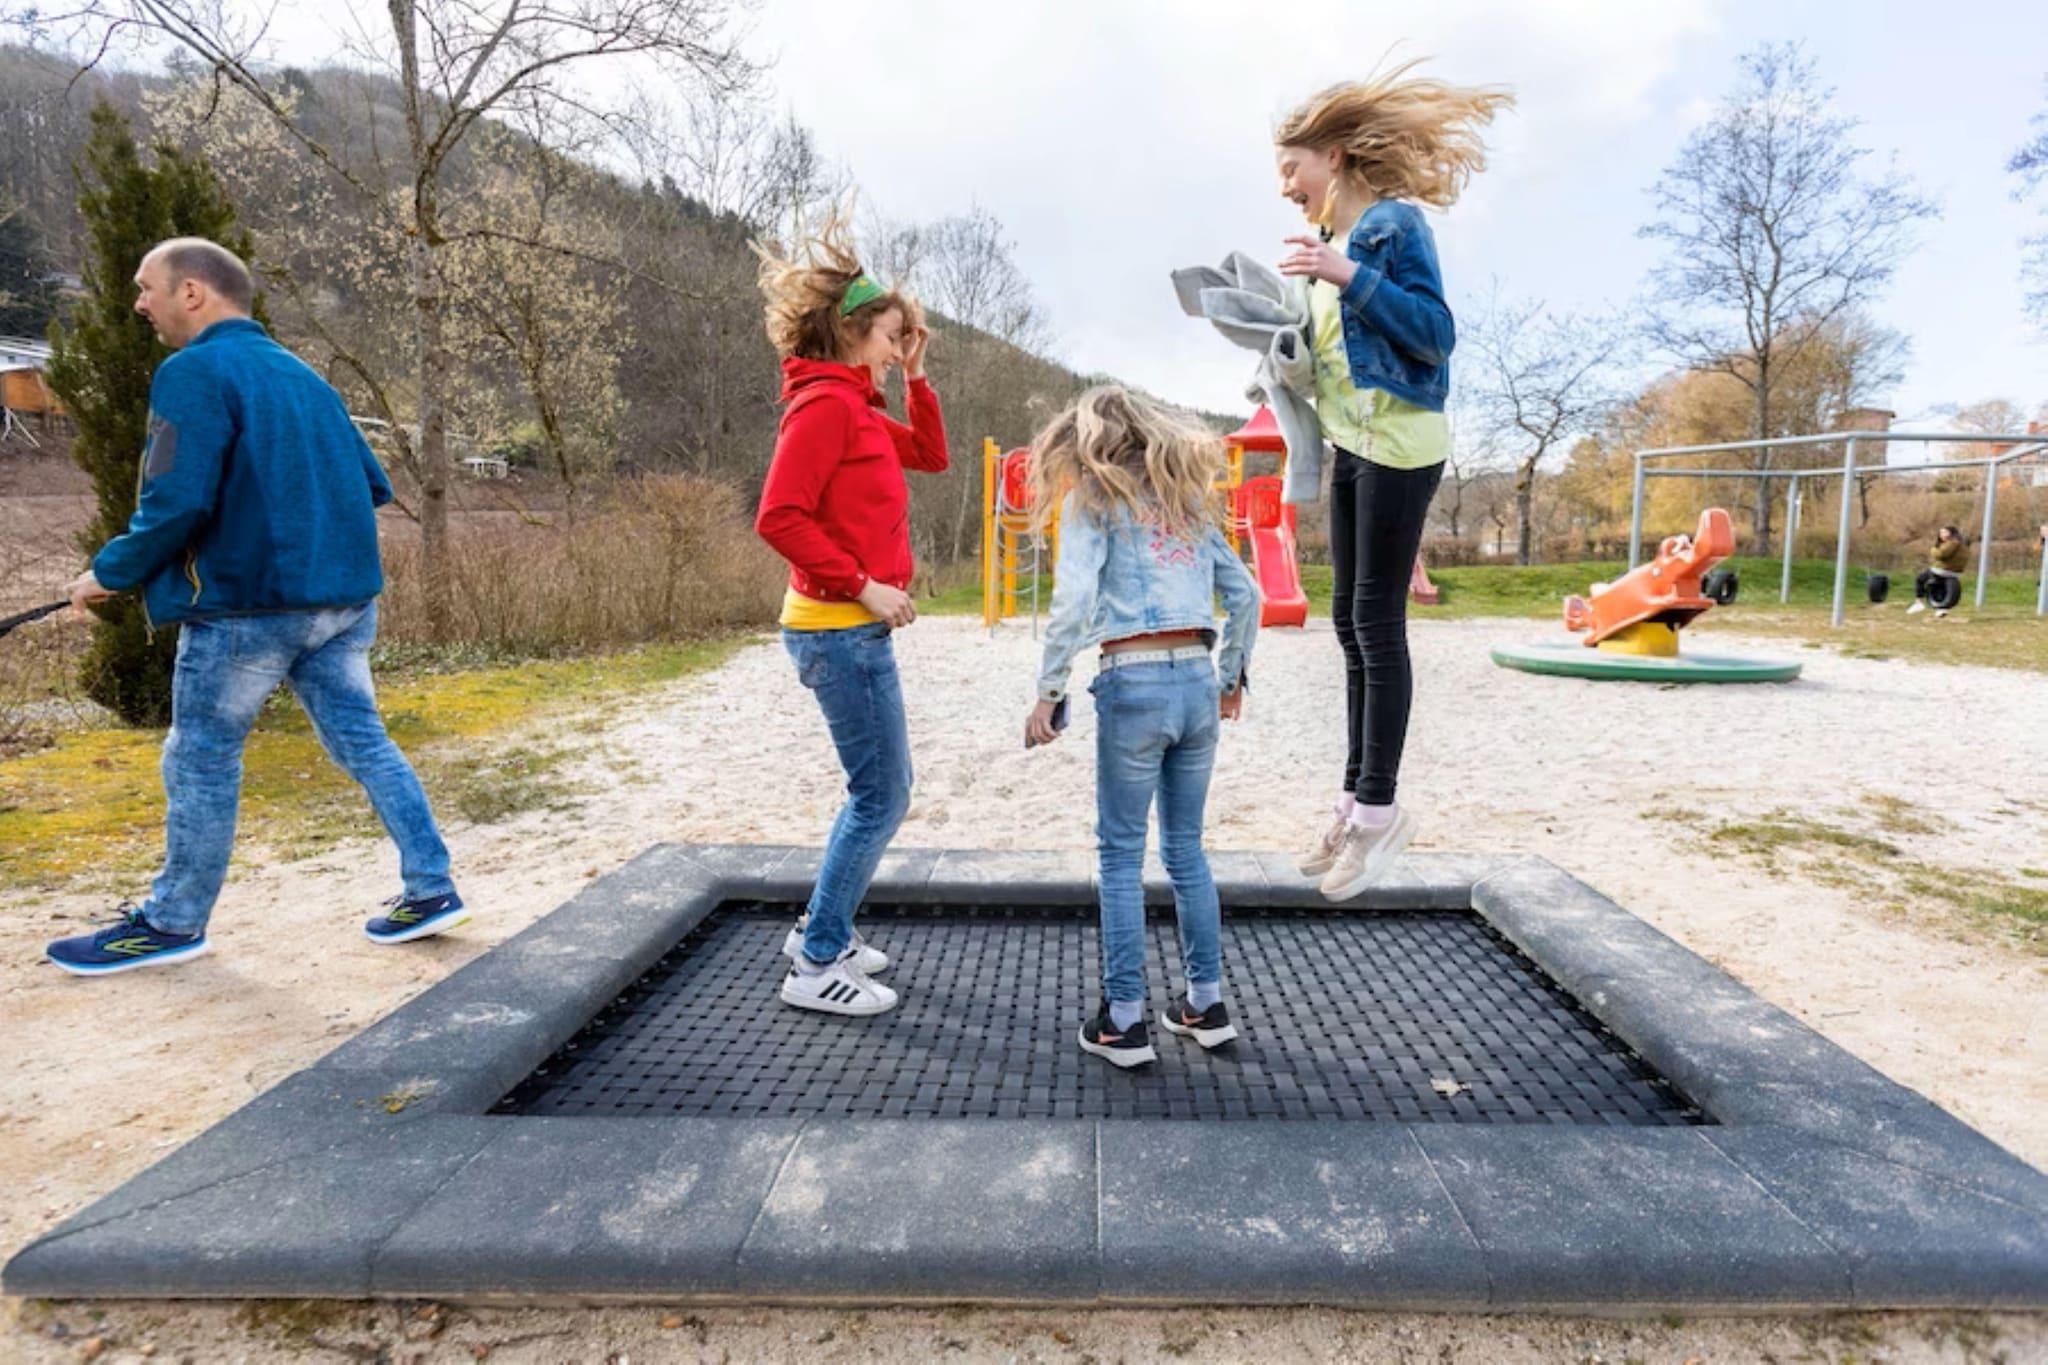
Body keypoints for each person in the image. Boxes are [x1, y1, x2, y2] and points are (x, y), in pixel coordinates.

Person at [47, 238, 463, 976]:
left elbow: (176, 500)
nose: (138, 303)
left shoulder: (192, 371)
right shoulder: (306, 378)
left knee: (200, 757)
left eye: (147, 287)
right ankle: (432, 888)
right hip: (342, 604)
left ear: (193, 292)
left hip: (247, 610)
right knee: (364, 743)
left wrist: (108, 572)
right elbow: (372, 485)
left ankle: (173, 923)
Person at [1272, 65, 1511, 901]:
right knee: (1346, 619)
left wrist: (1347, 276)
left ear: (1332, 156)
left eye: (1292, 168)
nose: (1285, 186)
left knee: (1377, 621)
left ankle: (1380, 811)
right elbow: (1331, 362)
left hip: (1402, 441)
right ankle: (1351, 802)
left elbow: (1435, 334)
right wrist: (1281, 353)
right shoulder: (1321, 254)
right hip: (1352, 442)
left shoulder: (1391, 227)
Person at [1023, 386, 1259, 1068]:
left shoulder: (1092, 501)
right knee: (1186, 850)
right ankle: (1205, 1004)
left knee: (1121, 855)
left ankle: (1123, 1020)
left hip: (1133, 680)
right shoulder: (1186, 505)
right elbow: (1247, 595)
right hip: (1197, 680)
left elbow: (1072, 602)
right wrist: (1231, 678)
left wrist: (1049, 691)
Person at [753, 213, 944, 1018]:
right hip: (837, 629)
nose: (899, 349)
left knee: (879, 790)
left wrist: (917, 378)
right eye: (894, 338)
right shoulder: (826, 408)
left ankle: (819, 929)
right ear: (854, 331)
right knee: (881, 796)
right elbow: (778, 517)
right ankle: (816, 961)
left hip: (849, 630)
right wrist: (863, 584)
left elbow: (930, 455)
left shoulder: (856, 405)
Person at [1908, 525, 1967, 616]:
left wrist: (1933, 549)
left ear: (1952, 533)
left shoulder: (1952, 543)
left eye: (1945, 532)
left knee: (1920, 579)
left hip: (1942, 570)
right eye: (1941, 532)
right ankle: (1941, 609)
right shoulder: (1963, 544)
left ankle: (1918, 602)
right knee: (1940, 586)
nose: (1942, 534)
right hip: (1955, 572)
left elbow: (1941, 554)